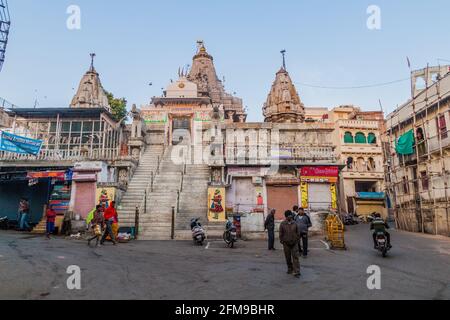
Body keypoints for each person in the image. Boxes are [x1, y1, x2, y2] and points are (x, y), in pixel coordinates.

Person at [279, 210, 301, 278]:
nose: (290, 217)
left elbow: (298, 232)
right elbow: (280, 233)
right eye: (288, 216)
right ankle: (290, 268)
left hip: (294, 243)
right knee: (288, 257)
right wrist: (282, 241)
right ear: (286, 216)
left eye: (290, 215)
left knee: (295, 257)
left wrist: (297, 240)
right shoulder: (282, 224)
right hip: (286, 244)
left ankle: (297, 271)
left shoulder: (295, 223)